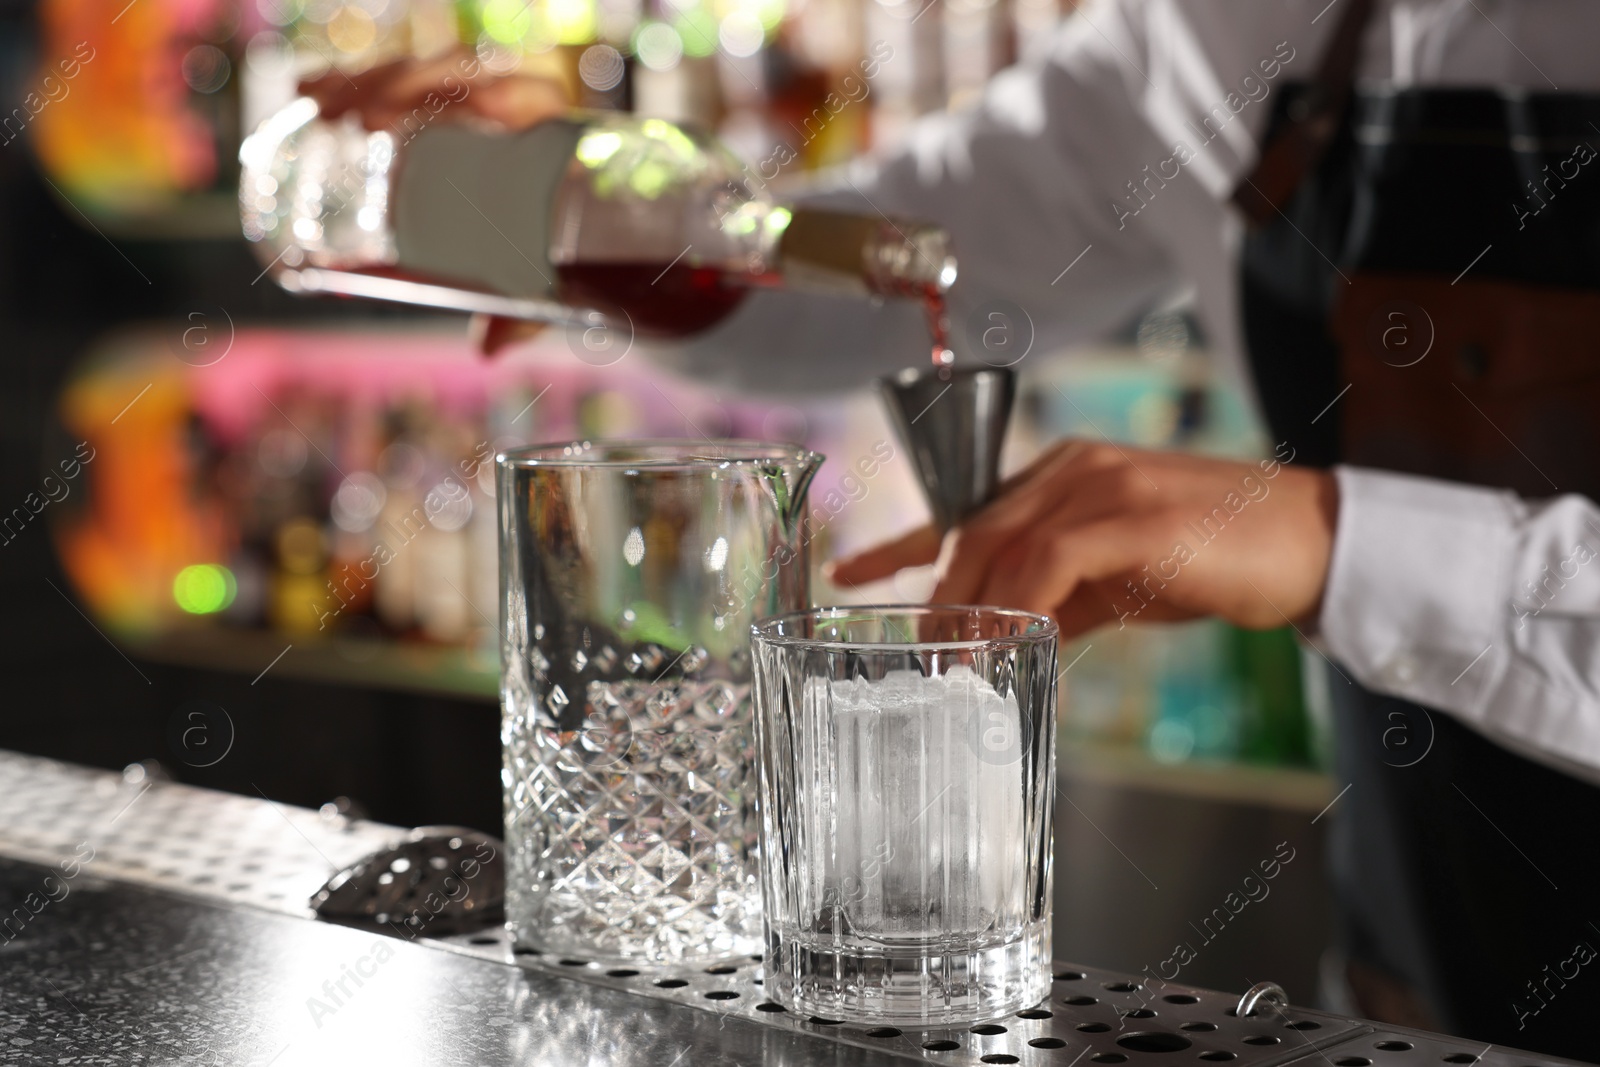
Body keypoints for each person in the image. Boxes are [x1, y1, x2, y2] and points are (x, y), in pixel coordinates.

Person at [306, 1, 1600, 1056]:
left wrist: (1336, 547)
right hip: (1409, 979)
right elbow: (886, 267)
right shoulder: (1241, 28)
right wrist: (573, 199)